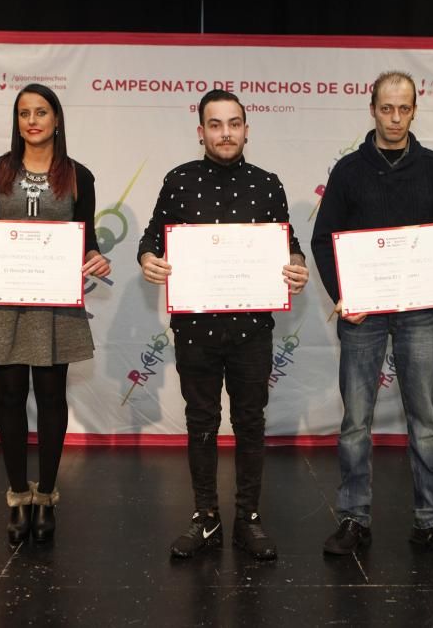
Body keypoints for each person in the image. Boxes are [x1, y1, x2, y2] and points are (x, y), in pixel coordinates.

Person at [137, 89, 309, 560]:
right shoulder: (178, 181)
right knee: (201, 424)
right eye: (216, 124)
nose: (226, 132)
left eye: (234, 123)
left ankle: (248, 519)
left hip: (253, 330)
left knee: (250, 423)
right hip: (195, 330)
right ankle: (206, 517)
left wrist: (296, 264)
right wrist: (149, 259)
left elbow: (288, 242)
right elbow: (152, 238)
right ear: (201, 132)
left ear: (247, 129)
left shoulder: (268, 184)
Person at [311, 71, 433, 558]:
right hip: (362, 315)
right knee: (355, 422)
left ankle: (431, 521)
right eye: (387, 108)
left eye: (405, 109)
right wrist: (343, 293)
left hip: (421, 309)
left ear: (415, 110)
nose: (396, 118)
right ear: (373, 109)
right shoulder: (348, 170)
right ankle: (354, 519)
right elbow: (323, 239)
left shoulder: (432, 167)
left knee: (423, 419)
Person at [0, 83, 110, 544]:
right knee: (12, 397)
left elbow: (88, 237)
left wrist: (96, 258)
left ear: (57, 119)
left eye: (41, 112)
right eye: (23, 114)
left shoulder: (79, 175)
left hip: (54, 301)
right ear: (17, 122)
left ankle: (47, 497)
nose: (32, 120)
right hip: (3, 299)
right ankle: (18, 495)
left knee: (53, 397)